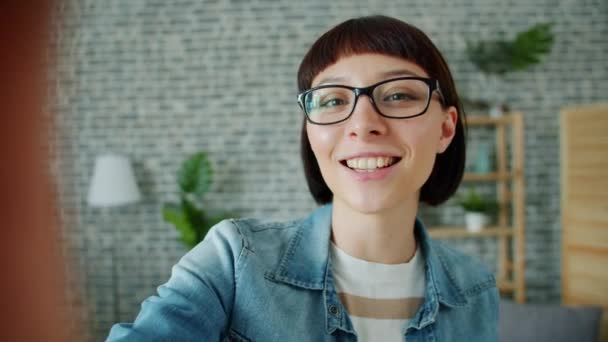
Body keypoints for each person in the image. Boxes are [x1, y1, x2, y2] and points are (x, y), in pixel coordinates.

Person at [107, 15, 498, 341]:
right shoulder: (234, 260)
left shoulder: (476, 290)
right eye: (333, 100)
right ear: (311, 132)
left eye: (398, 95)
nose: (363, 124)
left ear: (446, 129)